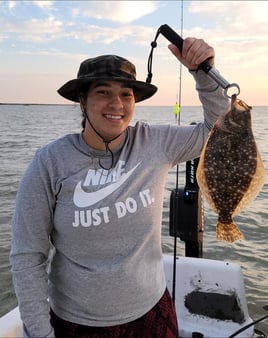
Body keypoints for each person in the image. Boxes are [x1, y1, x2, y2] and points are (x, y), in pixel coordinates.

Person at [10, 37, 229, 338]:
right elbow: (27, 256)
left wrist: (204, 75)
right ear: (82, 100)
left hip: (152, 311)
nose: (117, 104)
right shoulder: (49, 162)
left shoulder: (156, 143)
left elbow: (216, 132)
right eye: (103, 92)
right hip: (77, 323)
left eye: (126, 94)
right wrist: (39, 333)